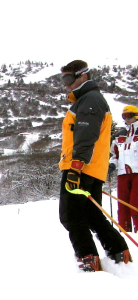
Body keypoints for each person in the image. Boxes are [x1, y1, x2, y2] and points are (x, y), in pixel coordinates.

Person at [58, 60, 131, 272]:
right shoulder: (89, 100)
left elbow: (85, 136)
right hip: (90, 168)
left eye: (69, 79)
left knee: (71, 216)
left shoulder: (90, 100)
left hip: (81, 168)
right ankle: (120, 257)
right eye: (64, 80)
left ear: (83, 76)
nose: (66, 85)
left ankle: (88, 261)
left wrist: (75, 168)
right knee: (92, 215)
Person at [109, 105, 138, 233]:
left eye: (129, 115)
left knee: (135, 202)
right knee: (122, 204)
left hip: (137, 173)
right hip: (122, 174)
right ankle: (124, 231)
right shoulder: (120, 135)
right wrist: (112, 164)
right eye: (123, 116)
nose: (126, 119)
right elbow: (114, 155)